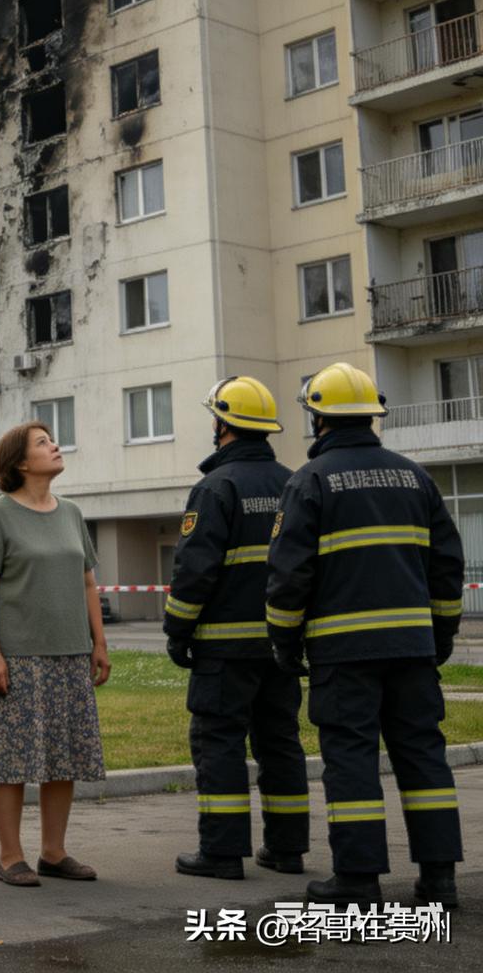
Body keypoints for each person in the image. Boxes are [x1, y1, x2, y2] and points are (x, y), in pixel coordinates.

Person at [268, 362, 464, 908]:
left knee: (351, 758)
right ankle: (440, 880)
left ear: (318, 418)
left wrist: (285, 643)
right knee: (423, 755)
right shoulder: (415, 477)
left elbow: (288, 576)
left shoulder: (308, 482)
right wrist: (440, 633)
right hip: (412, 649)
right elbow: (447, 564)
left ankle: (357, 880)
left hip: (343, 652)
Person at [163, 377, 308, 881]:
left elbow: (194, 569)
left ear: (223, 424)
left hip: (223, 651)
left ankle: (223, 852)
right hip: (278, 646)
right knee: (280, 743)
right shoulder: (293, 482)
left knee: (219, 743)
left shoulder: (215, 487)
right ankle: (287, 849)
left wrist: (177, 631)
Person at [0, 421, 109, 887]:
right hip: (19, 657)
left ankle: (54, 852)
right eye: (43, 443)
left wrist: (99, 643)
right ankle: (10, 856)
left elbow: (88, 580)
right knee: (10, 761)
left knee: (62, 757)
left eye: (53, 439)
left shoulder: (71, 512)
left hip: (70, 654)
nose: (55, 446)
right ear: (21, 462)